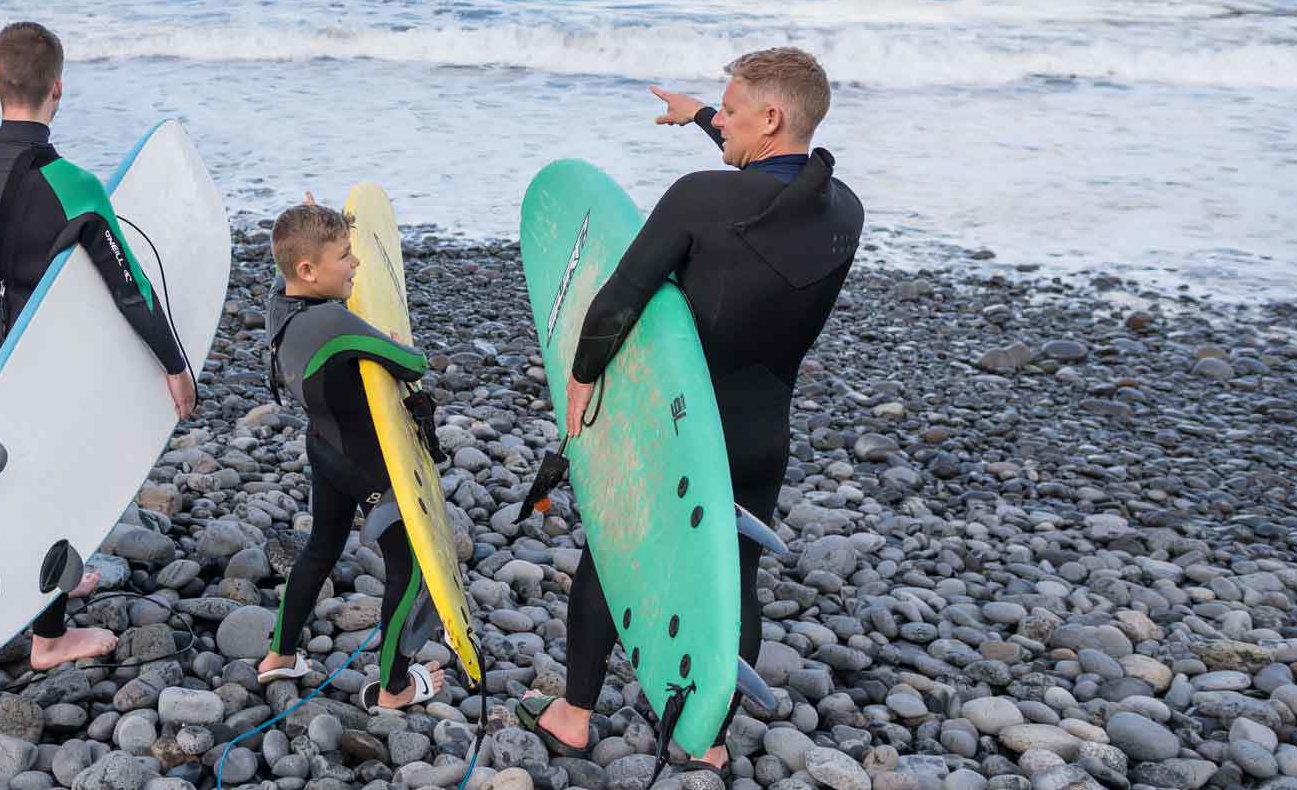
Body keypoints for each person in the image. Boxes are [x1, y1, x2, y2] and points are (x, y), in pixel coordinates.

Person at [514, 47, 864, 772]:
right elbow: (763, 193)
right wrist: (701, 116)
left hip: (677, 428)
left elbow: (618, 299)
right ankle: (702, 738)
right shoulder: (843, 211)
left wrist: (581, 376)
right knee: (730, 577)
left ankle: (575, 715)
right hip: (762, 433)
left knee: (614, 554)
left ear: (769, 118)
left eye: (732, 111)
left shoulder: (698, 198)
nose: (724, 124)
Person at [0, 21, 197, 671]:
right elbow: (131, 288)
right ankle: (49, 637)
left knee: (28, 475)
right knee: (64, 484)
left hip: (4, 352)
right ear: (58, 89)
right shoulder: (73, 185)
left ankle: (49, 581)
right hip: (61, 361)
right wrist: (174, 365)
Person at [256, 198, 447, 713]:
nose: (356, 265)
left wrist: (314, 225)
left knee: (320, 548)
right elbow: (412, 363)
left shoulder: (281, 302)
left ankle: (280, 655)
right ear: (308, 268)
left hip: (324, 449)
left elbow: (294, 266)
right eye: (345, 256)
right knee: (408, 570)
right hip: (368, 466)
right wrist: (386, 339)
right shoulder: (334, 326)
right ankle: (393, 687)